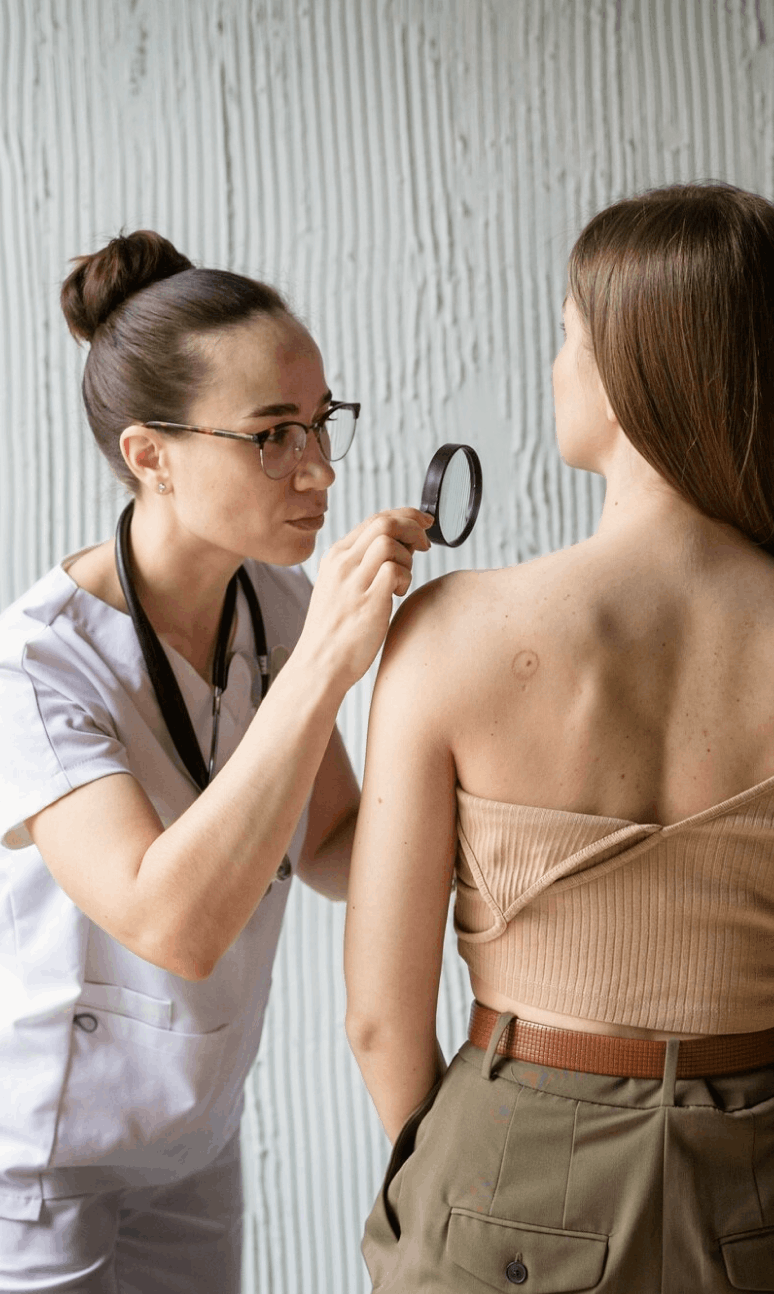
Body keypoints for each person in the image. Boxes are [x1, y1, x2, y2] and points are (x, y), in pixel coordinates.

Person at [344, 182, 774, 1293]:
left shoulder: (453, 631)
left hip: (511, 1167)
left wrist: (447, 1168)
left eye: (566, 334)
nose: (553, 365)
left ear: (636, 371)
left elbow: (382, 1021)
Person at [0, 230, 432, 1292]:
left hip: (194, 1134)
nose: (321, 469)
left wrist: (501, 791)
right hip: (41, 1160)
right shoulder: (37, 666)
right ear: (150, 454)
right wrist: (330, 665)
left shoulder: (273, 601)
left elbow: (330, 839)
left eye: (321, 422)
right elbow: (175, 925)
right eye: (273, 435)